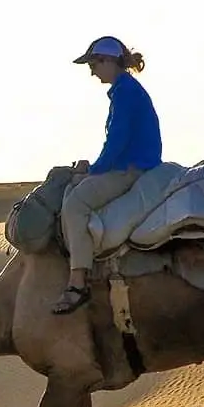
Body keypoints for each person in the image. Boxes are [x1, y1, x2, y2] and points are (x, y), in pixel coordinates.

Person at [52, 36, 163, 314]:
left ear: (108, 61)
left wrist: (94, 171)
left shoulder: (126, 93)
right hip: (133, 164)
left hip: (133, 169)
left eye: (94, 63)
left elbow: (117, 142)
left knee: (75, 204)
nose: (91, 71)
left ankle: (78, 283)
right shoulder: (125, 90)